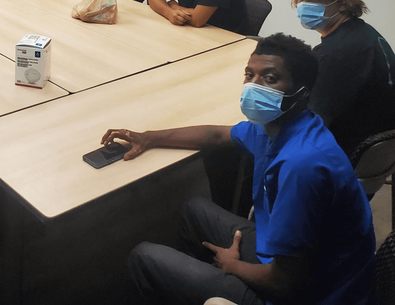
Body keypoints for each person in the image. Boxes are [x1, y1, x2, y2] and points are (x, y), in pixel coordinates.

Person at [101, 33, 375, 305]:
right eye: (249, 74)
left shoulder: (302, 166)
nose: (253, 86)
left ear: (301, 93)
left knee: (145, 257)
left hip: (313, 293)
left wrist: (232, 266)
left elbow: (286, 285)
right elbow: (216, 135)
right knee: (194, 209)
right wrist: (149, 137)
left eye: (269, 78)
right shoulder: (283, 127)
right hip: (297, 264)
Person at [286, 0, 395, 154]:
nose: (305, 5)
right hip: (377, 145)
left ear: (344, 2)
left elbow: (310, 124)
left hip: (344, 152)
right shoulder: (362, 33)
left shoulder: (336, 55)